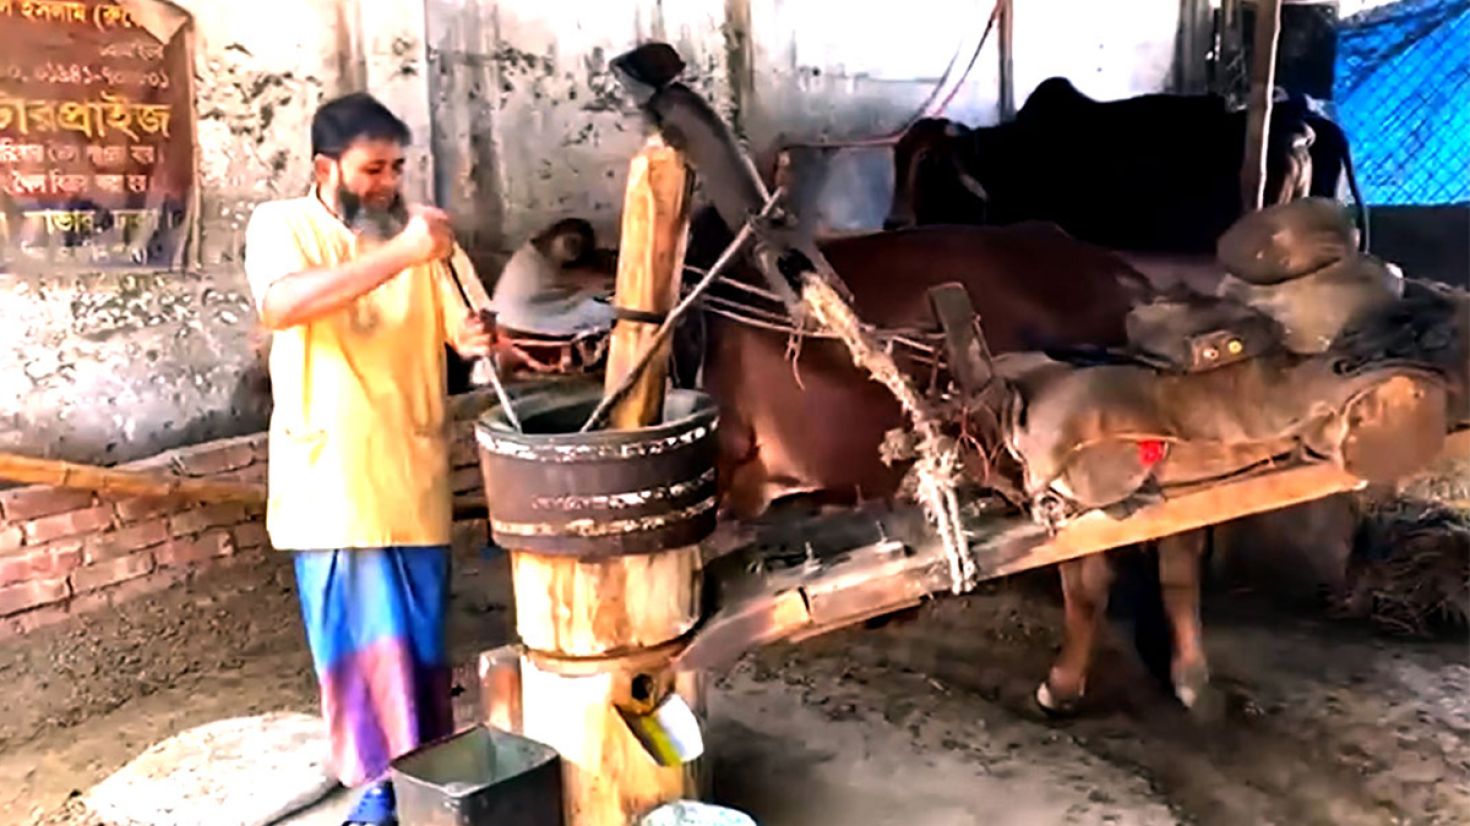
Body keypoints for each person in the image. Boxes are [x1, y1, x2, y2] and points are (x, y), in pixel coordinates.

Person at [243, 92, 493, 826]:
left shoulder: (423, 240)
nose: (388, 183)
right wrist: (404, 252)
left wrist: (483, 336)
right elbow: (282, 307)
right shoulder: (281, 226)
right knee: (358, 656)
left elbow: (467, 331)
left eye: (398, 168)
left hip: (411, 476)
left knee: (417, 651)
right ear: (326, 168)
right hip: (332, 485)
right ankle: (379, 788)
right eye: (373, 169)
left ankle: (425, 780)